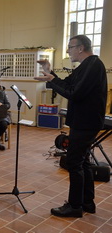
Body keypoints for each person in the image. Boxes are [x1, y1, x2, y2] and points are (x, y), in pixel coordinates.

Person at [35, 35, 107, 217]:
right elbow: (67, 84)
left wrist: (51, 80)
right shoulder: (85, 66)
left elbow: (73, 93)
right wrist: (50, 74)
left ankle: (75, 206)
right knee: (83, 162)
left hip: (86, 122)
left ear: (80, 48)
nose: (68, 51)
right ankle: (87, 203)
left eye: (70, 47)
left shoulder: (93, 66)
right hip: (83, 121)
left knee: (75, 162)